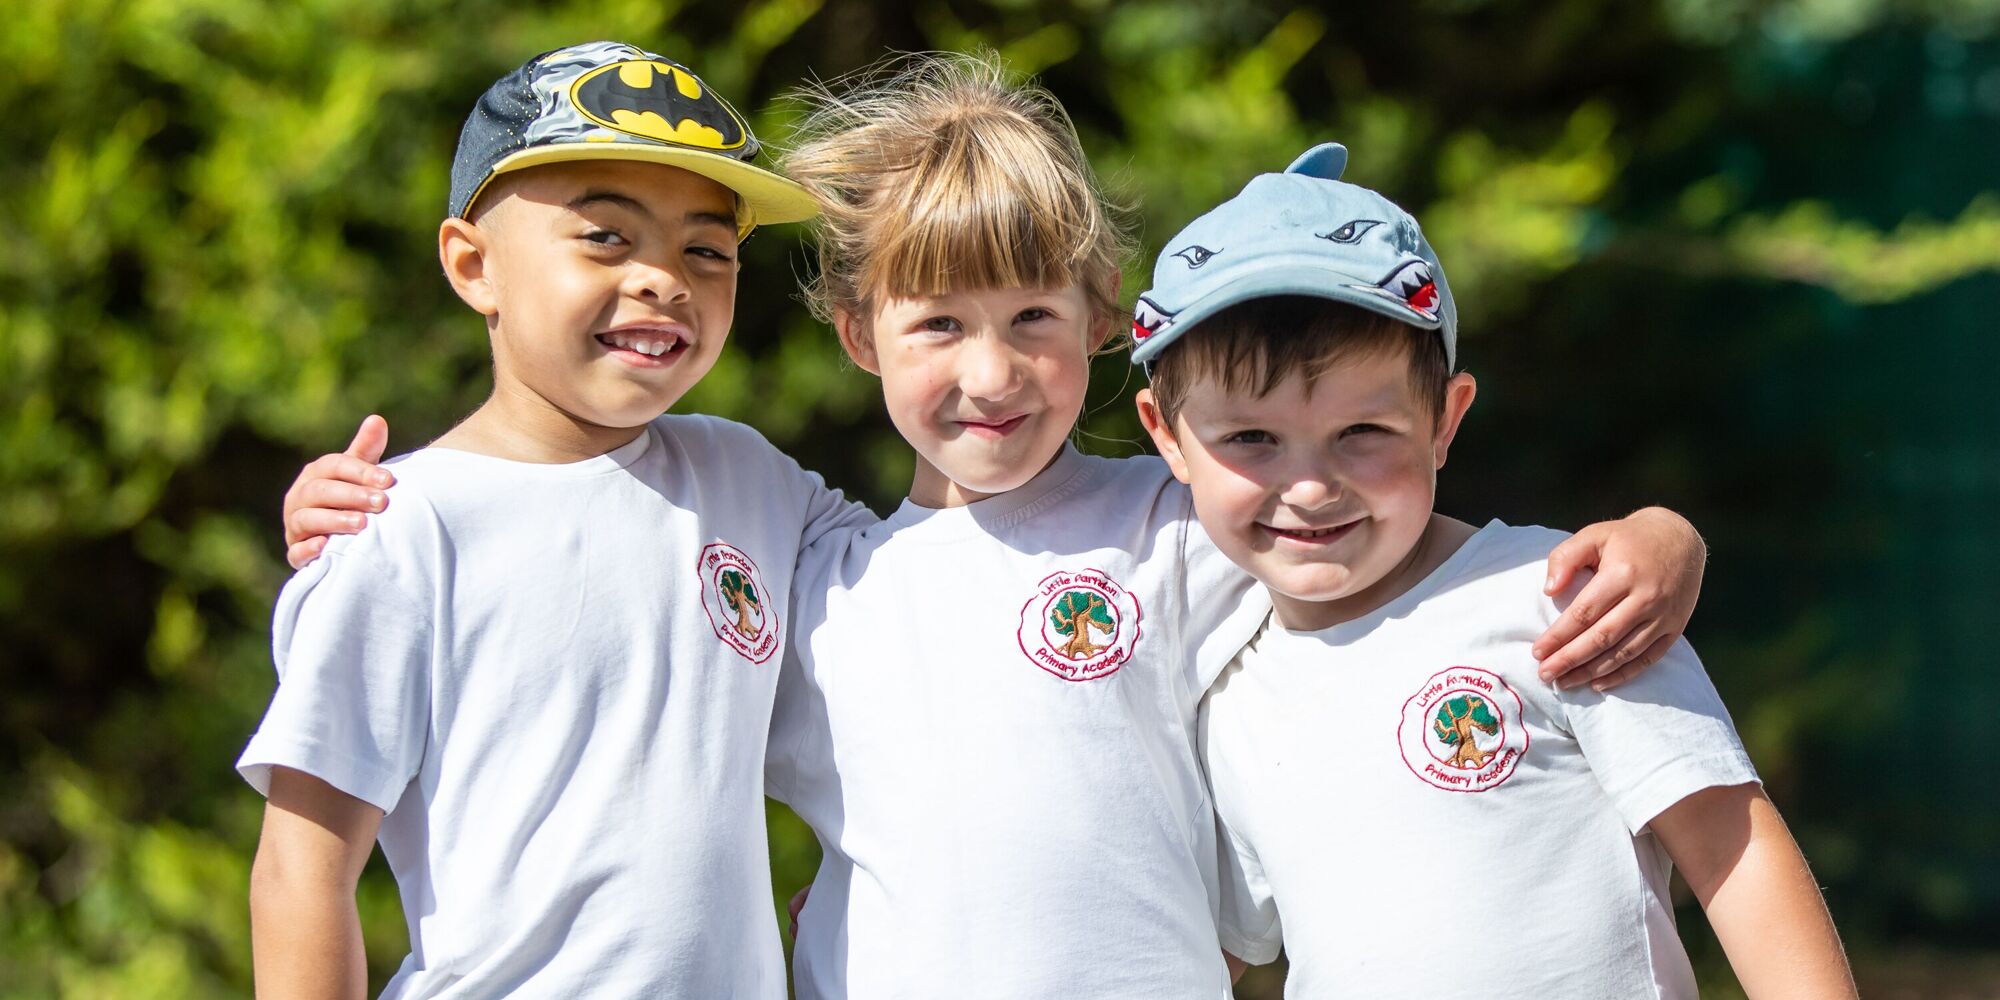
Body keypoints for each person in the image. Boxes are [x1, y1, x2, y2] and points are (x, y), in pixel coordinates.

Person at [279, 55, 1708, 997]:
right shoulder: (811, 555)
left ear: (1101, 323)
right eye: (938, 326)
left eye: (1033, 318)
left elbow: (1377, 540)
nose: (992, 371)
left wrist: (1654, 535)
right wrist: (373, 511)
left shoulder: (1171, 518)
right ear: (859, 336)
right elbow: (564, 553)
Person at [1132, 143, 1857, 998]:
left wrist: (1670, 533)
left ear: (1445, 420)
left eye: (1362, 433)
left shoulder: (1569, 599)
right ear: (1167, 436)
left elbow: (1731, 841)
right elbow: (1223, 946)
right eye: (1252, 438)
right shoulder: (1223, 688)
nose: (1311, 486)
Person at [236, 41, 870, 999]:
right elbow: (300, 872)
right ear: (473, 266)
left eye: (707, 250)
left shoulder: (751, 478)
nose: (665, 279)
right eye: (606, 237)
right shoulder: (398, 532)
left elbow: (926, 586)